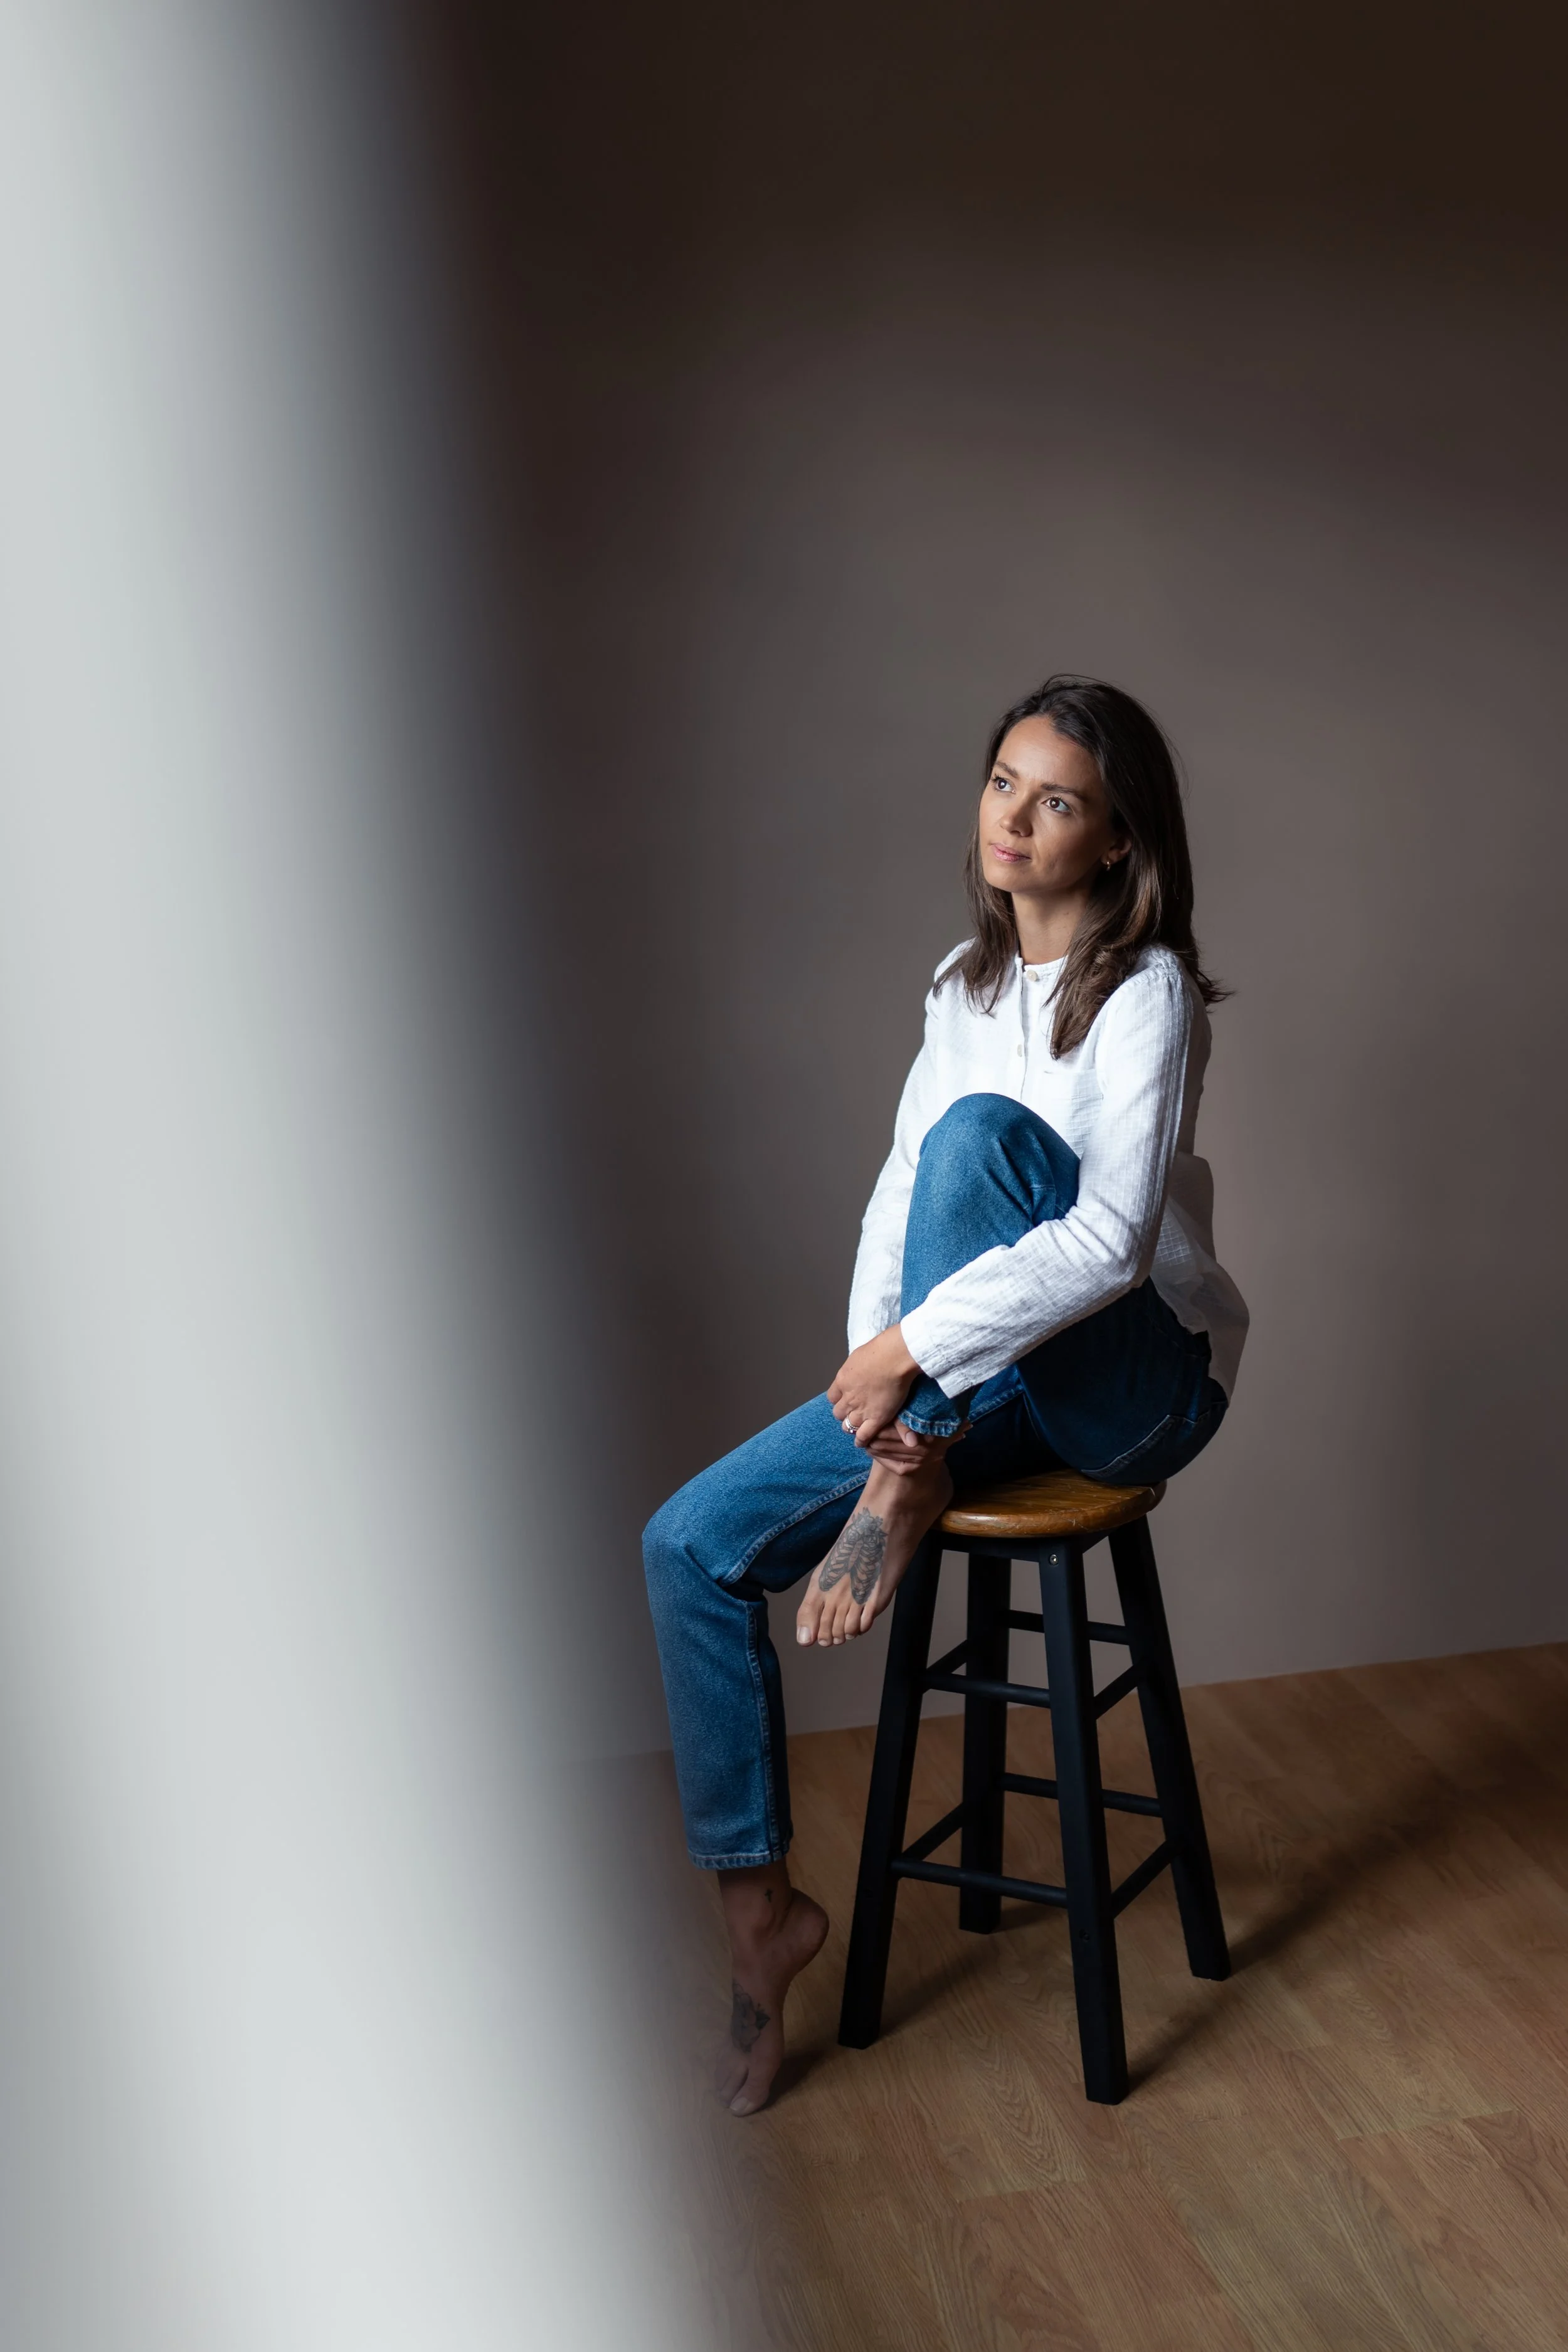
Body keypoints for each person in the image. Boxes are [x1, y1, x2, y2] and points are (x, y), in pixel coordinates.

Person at [643, 674, 1248, 2115]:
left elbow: (1102, 1246)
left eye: (1055, 800)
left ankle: (911, 1464)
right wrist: (877, 1381)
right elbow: (897, 1201)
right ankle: (758, 1922)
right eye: (1000, 783)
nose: (1015, 819)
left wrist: (909, 1361)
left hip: (1133, 1383)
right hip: (968, 1390)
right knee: (684, 1545)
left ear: (1114, 840)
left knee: (984, 1139)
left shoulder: (1143, 990)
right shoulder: (957, 986)